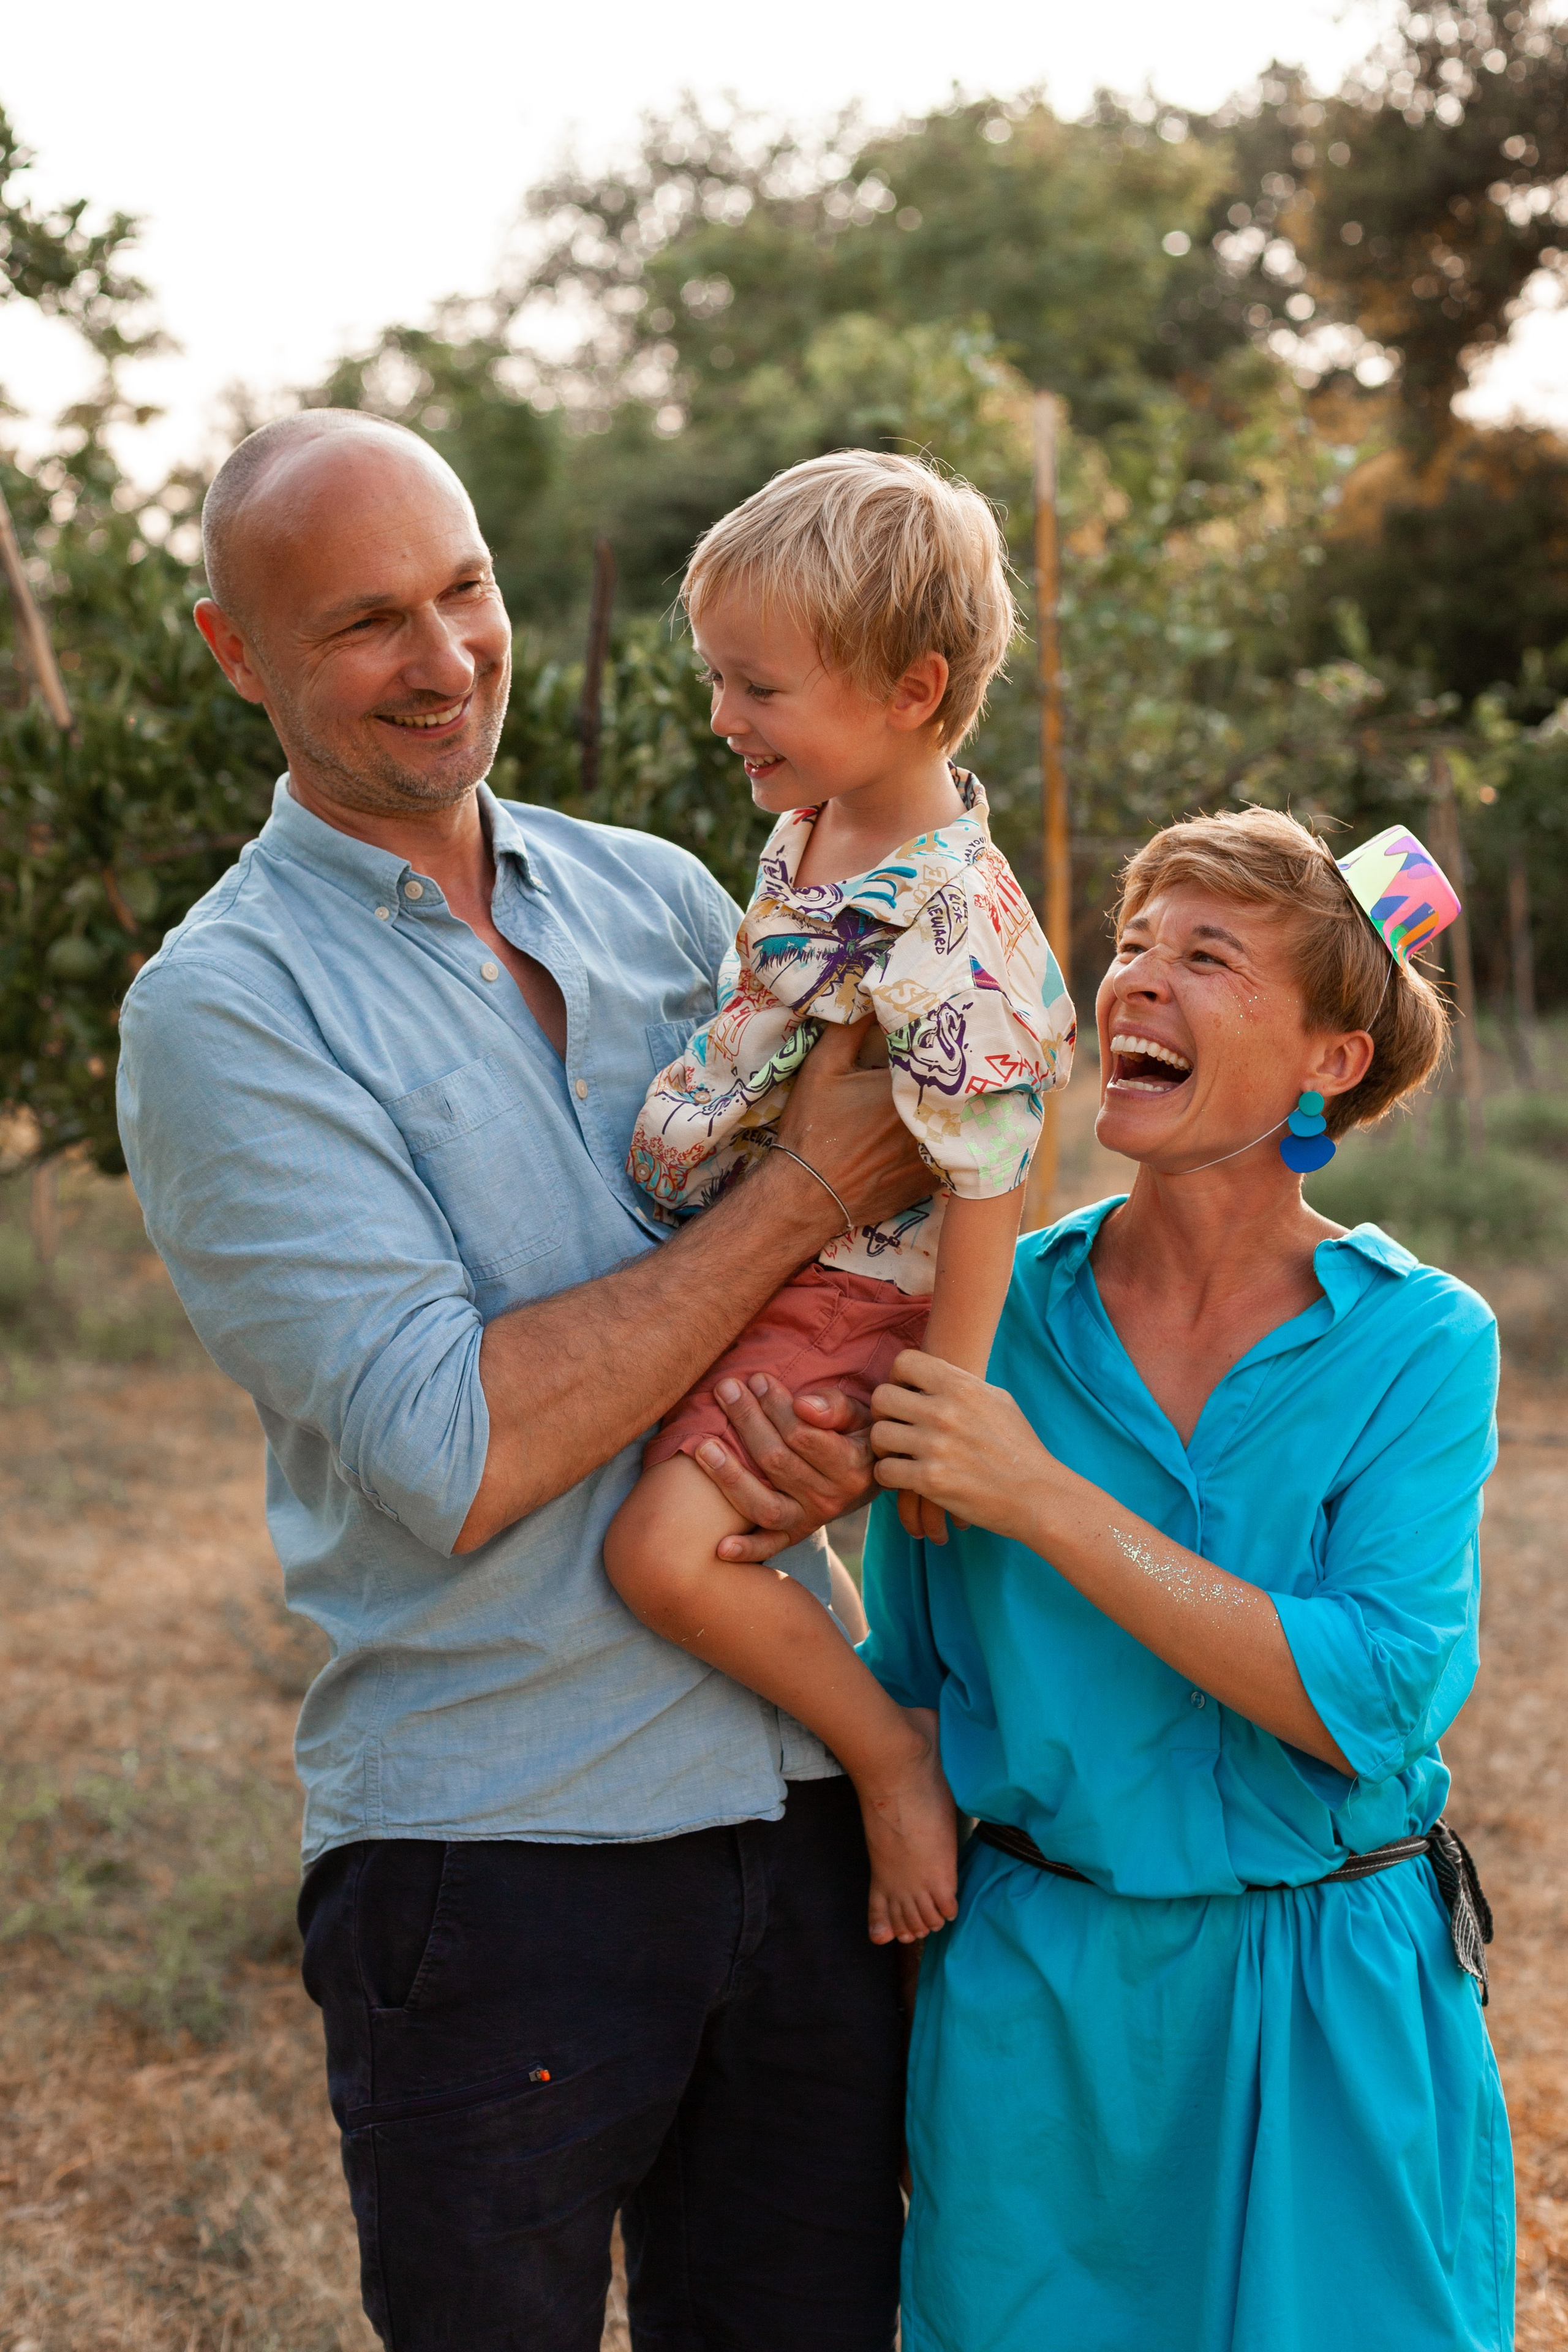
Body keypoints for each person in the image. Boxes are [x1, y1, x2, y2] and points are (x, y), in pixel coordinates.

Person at [115, 409, 924, 2352]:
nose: (447, 654)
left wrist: (839, 1449)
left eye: (466, 589)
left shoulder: (660, 893)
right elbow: (452, 1446)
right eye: (368, 622)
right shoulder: (226, 1010)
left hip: (803, 1811)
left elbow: (874, 1257)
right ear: (239, 652)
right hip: (498, 1864)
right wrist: (805, 1186)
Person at [859, 807, 1514, 2351]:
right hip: (1038, 2006)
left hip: (1335, 1999)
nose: (1133, 982)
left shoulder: (1421, 1345)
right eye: (1132, 946)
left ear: (1326, 1062)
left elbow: (1369, 1691)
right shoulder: (985, 1317)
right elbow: (912, 1669)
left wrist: (1044, 1497)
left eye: (1204, 956)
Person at [603, 453, 1075, 1948]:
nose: (724, 717)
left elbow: (992, 1171)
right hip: (785, 1259)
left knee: (659, 1556)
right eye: (718, 679)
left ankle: (889, 1757)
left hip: (856, 1290)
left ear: (910, 688)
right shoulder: (815, 823)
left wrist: (947, 1404)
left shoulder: (951, 918)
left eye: (758, 688)